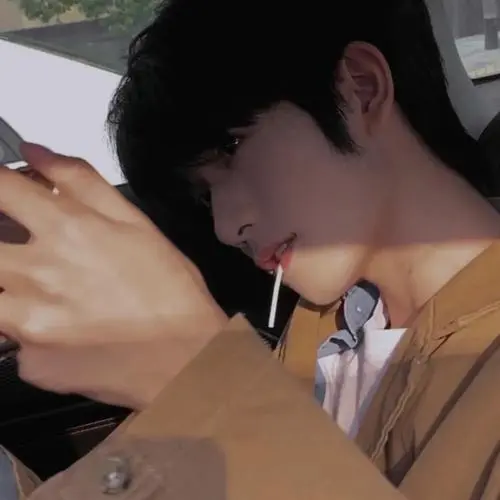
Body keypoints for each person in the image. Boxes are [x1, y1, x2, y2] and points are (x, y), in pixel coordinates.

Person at [1, 0, 500, 498]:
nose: (226, 226)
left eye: (231, 149)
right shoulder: (328, 322)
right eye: (205, 194)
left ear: (361, 88)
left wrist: (204, 385)